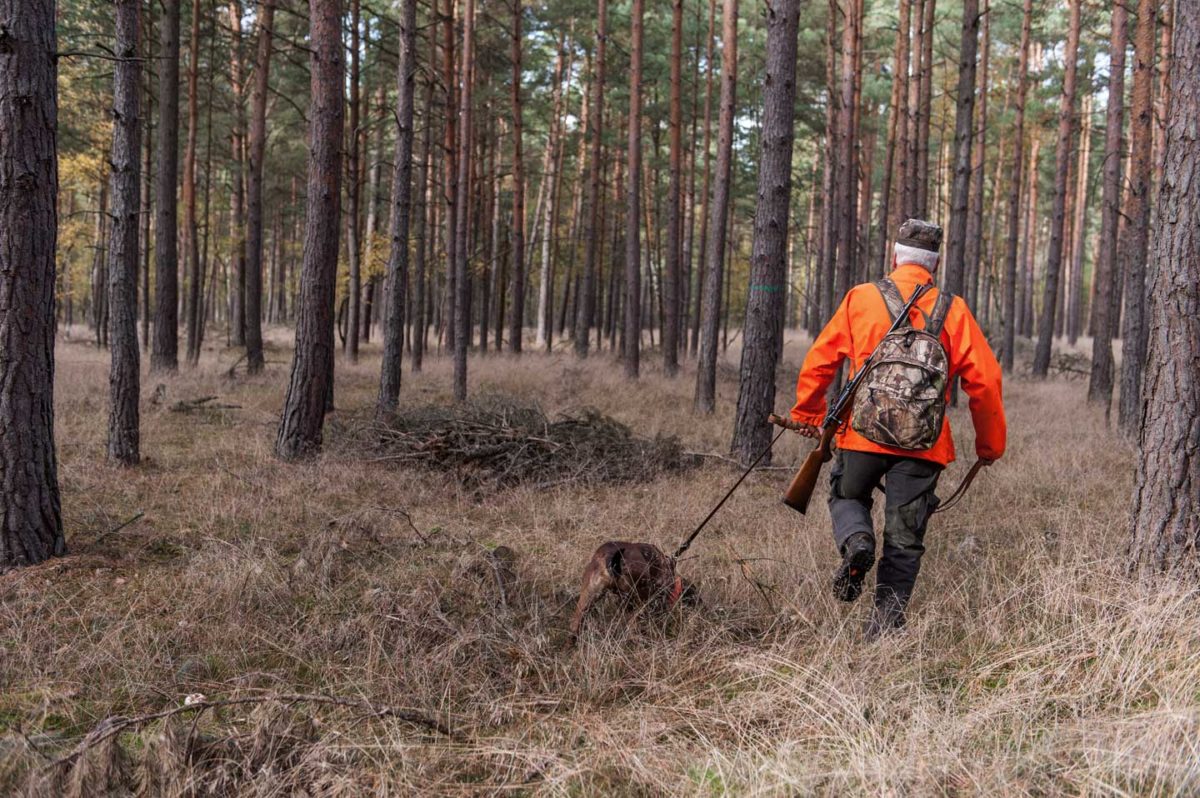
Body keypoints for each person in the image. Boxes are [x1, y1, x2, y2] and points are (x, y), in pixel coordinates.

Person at [789, 219, 1006, 637]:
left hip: (861, 436)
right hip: (922, 446)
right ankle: (885, 627)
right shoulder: (954, 309)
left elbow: (820, 360)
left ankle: (857, 543)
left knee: (847, 495)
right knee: (905, 538)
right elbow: (986, 381)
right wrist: (989, 446)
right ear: (935, 265)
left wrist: (810, 414)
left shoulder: (861, 298)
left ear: (894, 258)